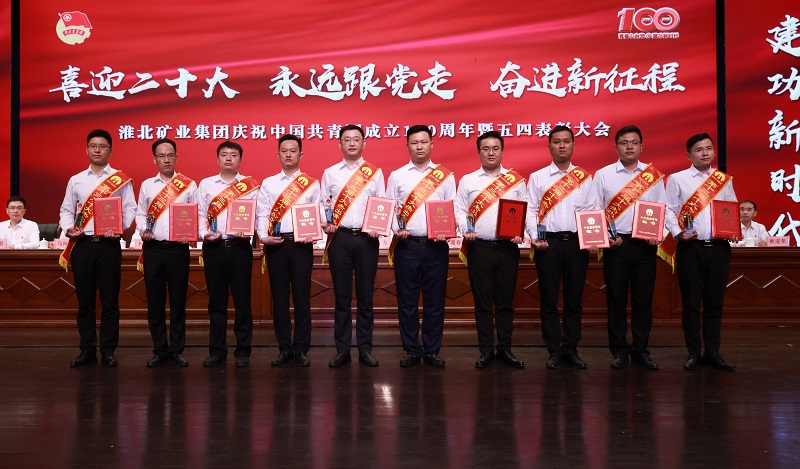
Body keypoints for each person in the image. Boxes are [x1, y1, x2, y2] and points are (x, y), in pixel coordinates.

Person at [59, 129, 136, 368]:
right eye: (93, 146)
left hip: (108, 245)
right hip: (82, 245)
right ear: (87, 149)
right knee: (85, 301)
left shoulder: (120, 179)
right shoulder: (76, 180)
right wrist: (69, 228)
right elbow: (66, 210)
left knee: (110, 301)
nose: (97, 150)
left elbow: (130, 208)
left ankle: (109, 350)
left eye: (102, 146)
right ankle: (87, 349)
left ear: (110, 150)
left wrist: (119, 227)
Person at [591, 125, 666, 370]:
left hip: (645, 245)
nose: (629, 146)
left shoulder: (653, 175)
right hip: (617, 246)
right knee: (616, 300)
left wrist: (659, 235)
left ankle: (641, 350)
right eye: (624, 143)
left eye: (634, 142)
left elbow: (663, 209)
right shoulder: (603, 175)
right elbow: (595, 209)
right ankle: (619, 351)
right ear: (616, 147)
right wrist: (606, 238)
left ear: (642, 147)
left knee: (643, 300)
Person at [454, 131, 527, 369]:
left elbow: (525, 210)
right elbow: (459, 210)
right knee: (483, 303)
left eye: (495, 148)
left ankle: (505, 349)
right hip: (480, 248)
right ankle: (486, 350)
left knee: (505, 303)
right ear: (478, 152)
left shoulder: (515, 180)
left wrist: (521, 232)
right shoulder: (468, 180)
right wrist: (465, 229)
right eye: (486, 149)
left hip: (508, 249)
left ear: (502, 151)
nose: (491, 153)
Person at [665, 133, 737, 371]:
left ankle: (713, 352)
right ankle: (694, 352)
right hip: (691, 248)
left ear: (714, 151)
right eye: (698, 149)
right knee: (691, 303)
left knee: (715, 303)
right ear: (689, 155)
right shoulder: (677, 179)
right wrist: (678, 233)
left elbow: (731, 208)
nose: (705, 153)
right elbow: (668, 210)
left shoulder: (723, 180)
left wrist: (732, 229)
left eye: (708, 148)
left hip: (718, 248)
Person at [386, 125, 456, 368]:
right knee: (407, 301)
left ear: (431, 145)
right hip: (407, 246)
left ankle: (432, 350)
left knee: (435, 301)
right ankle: (412, 349)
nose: (419, 147)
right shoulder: (397, 176)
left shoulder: (445, 176)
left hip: (436, 247)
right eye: (414, 142)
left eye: (423, 142)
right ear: (407, 146)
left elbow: (451, 208)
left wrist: (447, 230)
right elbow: (389, 208)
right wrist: (395, 228)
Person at [525, 125, 594, 369]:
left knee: (574, 300)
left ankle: (571, 348)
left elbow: (591, 210)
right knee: (549, 299)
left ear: (573, 145)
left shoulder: (584, 177)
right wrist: (535, 236)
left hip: (576, 243)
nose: (562, 145)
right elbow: (531, 210)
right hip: (548, 243)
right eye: (557, 141)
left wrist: (592, 239)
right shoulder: (538, 177)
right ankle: (554, 349)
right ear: (549, 146)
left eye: (566, 141)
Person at [321, 125, 385, 368]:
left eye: (356, 139)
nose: (351, 143)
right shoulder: (330, 173)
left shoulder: (375, 173)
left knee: (366, 297)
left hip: (367, 239)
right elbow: (323, 204)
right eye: (346, 139)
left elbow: (382, 203)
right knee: (342, 297)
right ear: (339, 144)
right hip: (340, 239)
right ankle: (342, 350)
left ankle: (365, 349)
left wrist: (379, 225)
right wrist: (325, 222)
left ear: (363, 143)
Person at [256, 134, 320, 367]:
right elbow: (262, 212)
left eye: (293, 150)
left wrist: (314, 232)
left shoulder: (311, 183)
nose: (289, 154)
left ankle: (301, 349)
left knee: (302, 299)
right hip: (277, 245)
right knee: (280, 299)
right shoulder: (269, 183)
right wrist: (262, 236)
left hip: (302, 245)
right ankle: (284, 348)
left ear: (300, 154)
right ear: (278, 154)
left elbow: (316, 212)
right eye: (284, 151)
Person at [135, 138, 197, 367]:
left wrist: (190, 233)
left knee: (178, 302)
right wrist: (143, 229)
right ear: (154, 159)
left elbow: (195, 214)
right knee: (155, 302)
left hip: (178, 249)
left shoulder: (188, 185)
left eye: (170, 155)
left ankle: (176, 350)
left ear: (176, 157)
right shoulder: (147, 185)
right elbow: (140, 214)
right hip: (153, 248)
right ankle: (160, 349)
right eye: (161, 156)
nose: (166, 159)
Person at [197, 141, 259, 368]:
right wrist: (204, 234)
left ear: (240, 159)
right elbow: (200, 214)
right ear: (218, 159)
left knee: (242, 302)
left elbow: (257, 215)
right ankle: (217, 351)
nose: (229, 158)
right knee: (217, 303)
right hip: (214, 249)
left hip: (240, 248)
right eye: (224, 155)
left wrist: (249, 230)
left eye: (233, 155)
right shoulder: (206, 184)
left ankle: (243, 351)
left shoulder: (250, 186)